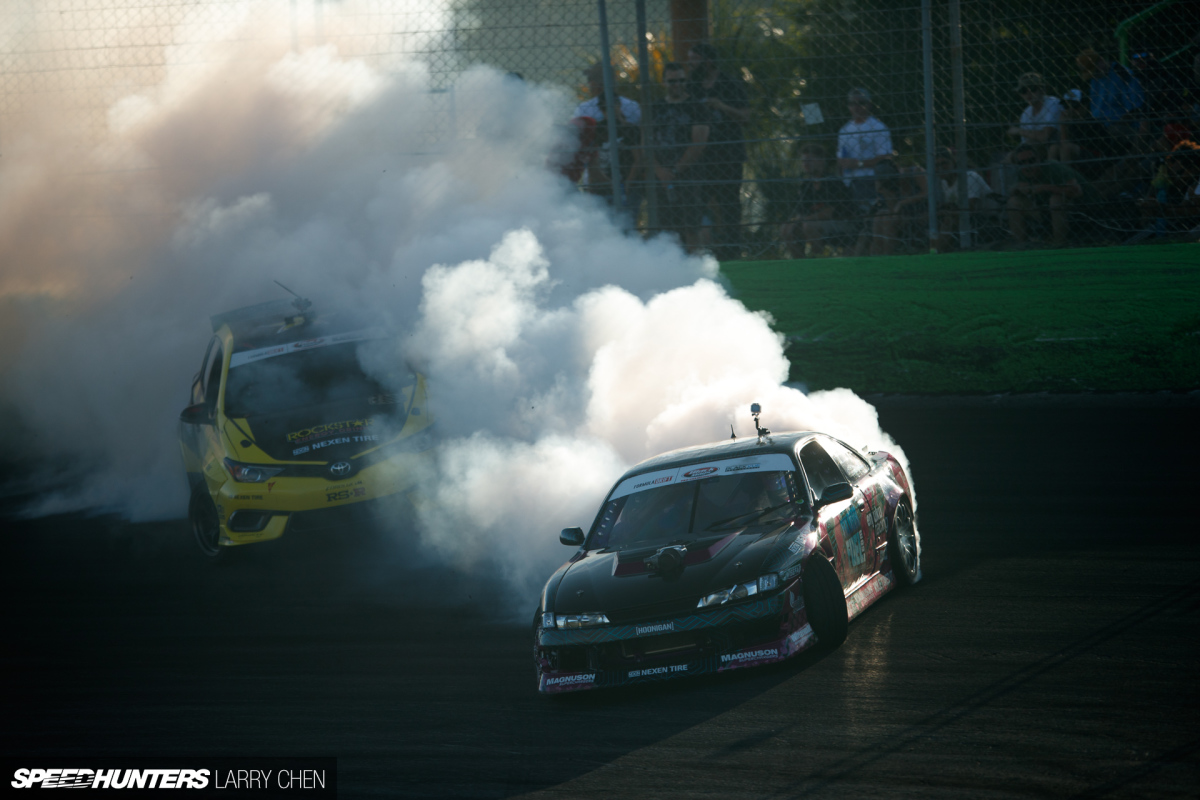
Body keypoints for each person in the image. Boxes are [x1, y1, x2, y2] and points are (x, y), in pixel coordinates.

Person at [628, 62, 710, 252]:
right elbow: (644, 144)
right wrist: (660, 171)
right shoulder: (653, 108)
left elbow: (699, 143)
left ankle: (695, 269)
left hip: (689, 176)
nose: (677, 85)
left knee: (692, 227)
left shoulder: (696, 107)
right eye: (672, 81)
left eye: (681, 80)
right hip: (658, 177)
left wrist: (674, 170)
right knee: (665, 230)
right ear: (664, 82)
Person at [687, 42, 751, 260]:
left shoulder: (729, 83)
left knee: (729, 203)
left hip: (728, 155)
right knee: (696, 203)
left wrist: (722, 106)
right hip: (700, 157)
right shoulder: (691, 87)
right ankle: (698, 252)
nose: (691, 64)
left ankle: (732, 251)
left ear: (708, 61)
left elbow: (745, 116)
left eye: (694, 59)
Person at [572, 63, 642, 211]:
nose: (589, 85)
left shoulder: (585, 109)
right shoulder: (632, 106)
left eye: (591, 80)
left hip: (621, 177)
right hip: (602, 177)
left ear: (597, 84)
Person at [1006, 143, 1095, 247]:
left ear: (1039, 159)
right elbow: (1012, 192)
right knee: (1013, 203)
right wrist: (1017, 189)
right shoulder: (1022, 173)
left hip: (1084, 208)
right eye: (1022, 162)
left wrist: (1043, 187)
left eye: (1031, 161)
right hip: (1047, 210)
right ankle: (1021, 246)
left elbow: (1077, 192)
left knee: (1056, 200)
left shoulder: (1054, 167)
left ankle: (1059, 245)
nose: (1028, 165)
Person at [779, 143, 855, 258]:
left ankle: (817, 261)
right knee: (786, 228)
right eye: (803, 161)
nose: (805, 164)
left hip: (841, 223)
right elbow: (802, 212)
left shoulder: (833, 182)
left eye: (809, 160)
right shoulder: (806, 186)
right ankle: (800, 264)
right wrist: (796, 222)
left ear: (821, 161)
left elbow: (831, 212)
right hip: (812, 222)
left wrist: (805, 220)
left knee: (809, 226)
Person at [836, 88, 894, 211]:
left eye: (861, 103)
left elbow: (885, 158)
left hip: (871, 181)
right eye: (852, 103)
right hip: (849, 183)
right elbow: (840, 157)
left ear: (869, 104)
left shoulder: (878, 127)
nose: (856, 107)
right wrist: (843, 163)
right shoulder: (844, 130)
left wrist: (858, 164)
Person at [933, 147, 994, 251]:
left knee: (949, 220)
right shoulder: (944, 182)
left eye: (944, 163)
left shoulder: (969, 176)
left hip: (986, 217)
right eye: (937, 165)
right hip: (963, 215)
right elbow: (953, 204)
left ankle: (935, 253)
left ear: (954, 162)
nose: (941, 168)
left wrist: (945, 212)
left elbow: (970, 208)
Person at [863, 160, 928, 256]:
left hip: (922, 212)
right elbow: (893, 209)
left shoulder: (915, 172)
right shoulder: (891, 183)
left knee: (887, 220)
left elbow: (928, 193)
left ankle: (887, 256)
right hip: (904, 214)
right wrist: (883, 191)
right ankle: (878, 257)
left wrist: (902, 202)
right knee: (880, 216)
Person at [1076, 48, 1145, 136]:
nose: (1094, 75)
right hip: (1100, 126)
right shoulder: (1095, 79)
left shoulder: (1122, 73)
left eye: (1095, 71)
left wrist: (1119, 123)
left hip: (1123, 125)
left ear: (1101, 60)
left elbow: (1136, 109)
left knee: (1114, 130)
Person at [1008, 72, 1062, 147]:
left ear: (1042, 90)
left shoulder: (1052, 104)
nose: (1028, 93)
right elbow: (1025, 144)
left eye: (1032, 89)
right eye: (1024, 90)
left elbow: (1044, 137)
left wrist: (1018, 131)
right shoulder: (1026, 113)